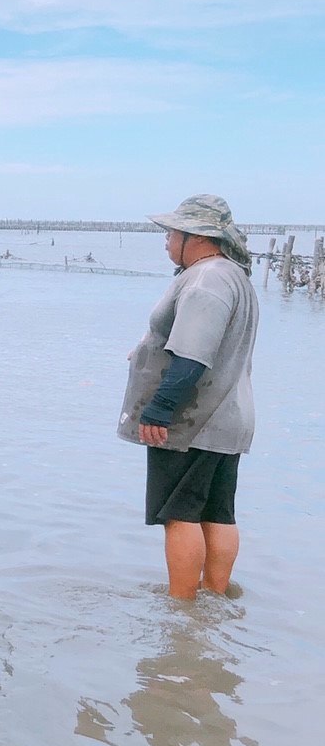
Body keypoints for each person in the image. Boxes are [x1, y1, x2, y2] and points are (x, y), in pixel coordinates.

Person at [119, 194, 258, 599]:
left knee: (178, 514)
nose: (165, 240)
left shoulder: (206, 280)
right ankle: (214, 599)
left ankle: (182, 609)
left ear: (198, 237)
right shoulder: (233, 275)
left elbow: (194, 355)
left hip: (192, 421)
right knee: (217, 512)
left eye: (171, 233)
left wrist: (159, 411)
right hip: (228, 417)